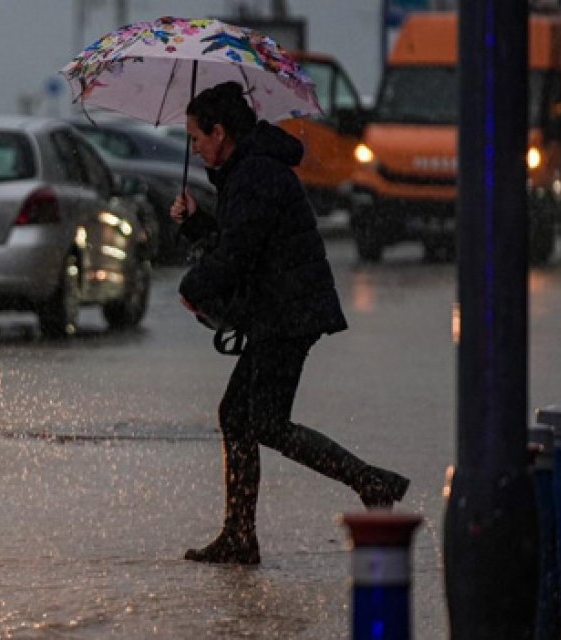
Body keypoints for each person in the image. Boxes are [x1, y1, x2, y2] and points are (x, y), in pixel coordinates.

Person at [171, 81, 410, 565]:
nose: (194, 148)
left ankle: (371, 482)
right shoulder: (247, 171)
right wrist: (196, 225)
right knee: (237, 415)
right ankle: (240, 535)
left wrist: (194, 288)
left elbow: (237, 254)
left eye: (196, 137)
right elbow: (239, 238)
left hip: (288, 312)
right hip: (280, 310)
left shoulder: (255, 174)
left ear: (220, 133)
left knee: (265, 422)